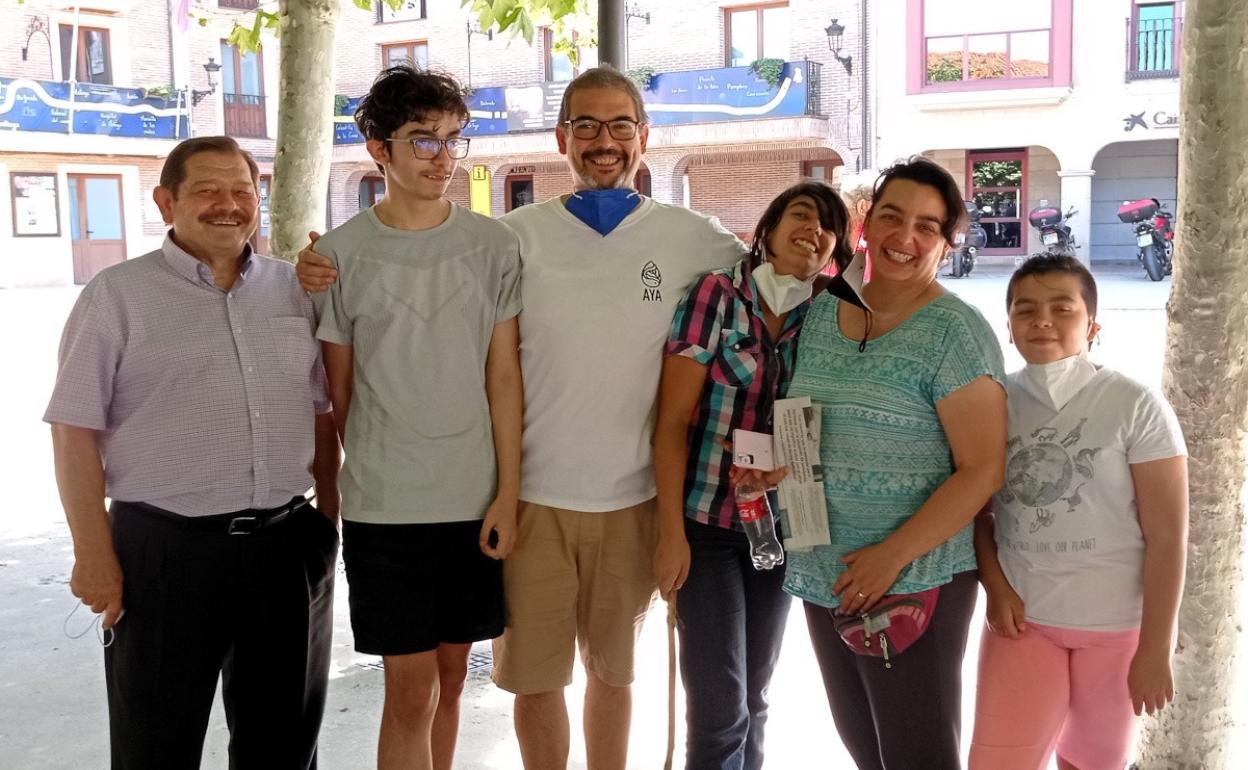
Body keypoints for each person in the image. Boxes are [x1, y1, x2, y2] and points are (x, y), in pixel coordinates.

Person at [296, 66, 743, 770]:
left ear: (645, 135)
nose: (604, 141)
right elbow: (354, 378)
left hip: (629, 498)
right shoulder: (512, 238)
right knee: (529, 680)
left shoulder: (697, 239)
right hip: (524, 499)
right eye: (586, 125)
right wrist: (314, 264)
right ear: (561, 137)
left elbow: (777, 286)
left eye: (620, 125)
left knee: (610, 675)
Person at [44, 135, 340, 769]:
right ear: (166, 202)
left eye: (241, 191)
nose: (227, 205)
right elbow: (72, 430)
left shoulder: (294, 290)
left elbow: (322, 412)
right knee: (155, 746)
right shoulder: (117, 296)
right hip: (162, 553)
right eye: (207, 190)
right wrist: (93, 553)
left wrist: (328, 523)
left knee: (284, 747)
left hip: (286, 548)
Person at [309, 65, 523, 770]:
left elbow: (503, 376)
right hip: (387, 507)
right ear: (379, 149)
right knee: (410, 691)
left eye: (453, 139)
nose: (442, 157)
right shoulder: (339, 255)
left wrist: (508, 492)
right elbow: (339, 396)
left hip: (474, 499)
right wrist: (365, 476)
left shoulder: (494, 246)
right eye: (423, 140)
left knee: (454, 677)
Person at [782, 156, 1008, 769]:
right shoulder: (822, 312)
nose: (905, 237)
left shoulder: (955, 332)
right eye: (892, 216)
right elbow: (806, 427)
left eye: (927, 226)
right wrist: (768, 468)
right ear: (866, 222)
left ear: (948, 241)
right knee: (866, 749)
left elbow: (982, 470)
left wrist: (891, 556)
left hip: (915, 577)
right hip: (828, 571)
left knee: (918, 756)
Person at [653, 181, 853, 770]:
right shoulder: (718, 295)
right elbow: (671, 422)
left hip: (779, 530)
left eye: (828, 227)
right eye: (801, 215)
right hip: (707, 525)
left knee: (755, 697)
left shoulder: (827, 313)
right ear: (768, 228)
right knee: (719, 710)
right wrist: (669, 535)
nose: (814, 231)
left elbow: (831, 415)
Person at [969, 255, 1188, 770]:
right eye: (1025, 309)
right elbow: (976, 513)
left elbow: (1168, 536)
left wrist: (1155, 648)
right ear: (1009, 327)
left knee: (1091, 762)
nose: (1042, 320)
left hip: (1116, 630)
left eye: (1062, 308)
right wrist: (995, 587)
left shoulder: (1135, 404)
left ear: (1092, 325)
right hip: (1024, 623)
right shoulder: (991, 402)